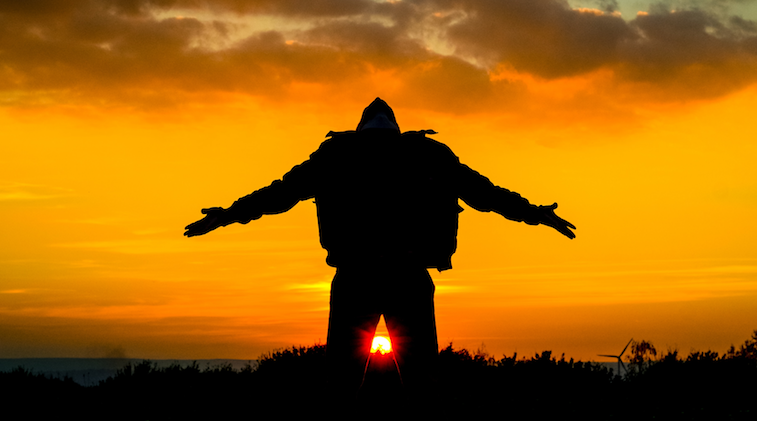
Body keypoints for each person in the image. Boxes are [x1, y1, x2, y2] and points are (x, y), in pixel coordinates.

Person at [184, 98, 575, 397]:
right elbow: (487, 195)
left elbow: (277, 195)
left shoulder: (335, 157)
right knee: (423, 380)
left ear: (360, 128)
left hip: (355, 277)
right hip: (409, 276)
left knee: (342, 380)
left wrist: (224, 216)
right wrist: (538, 214)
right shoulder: (429, 157)